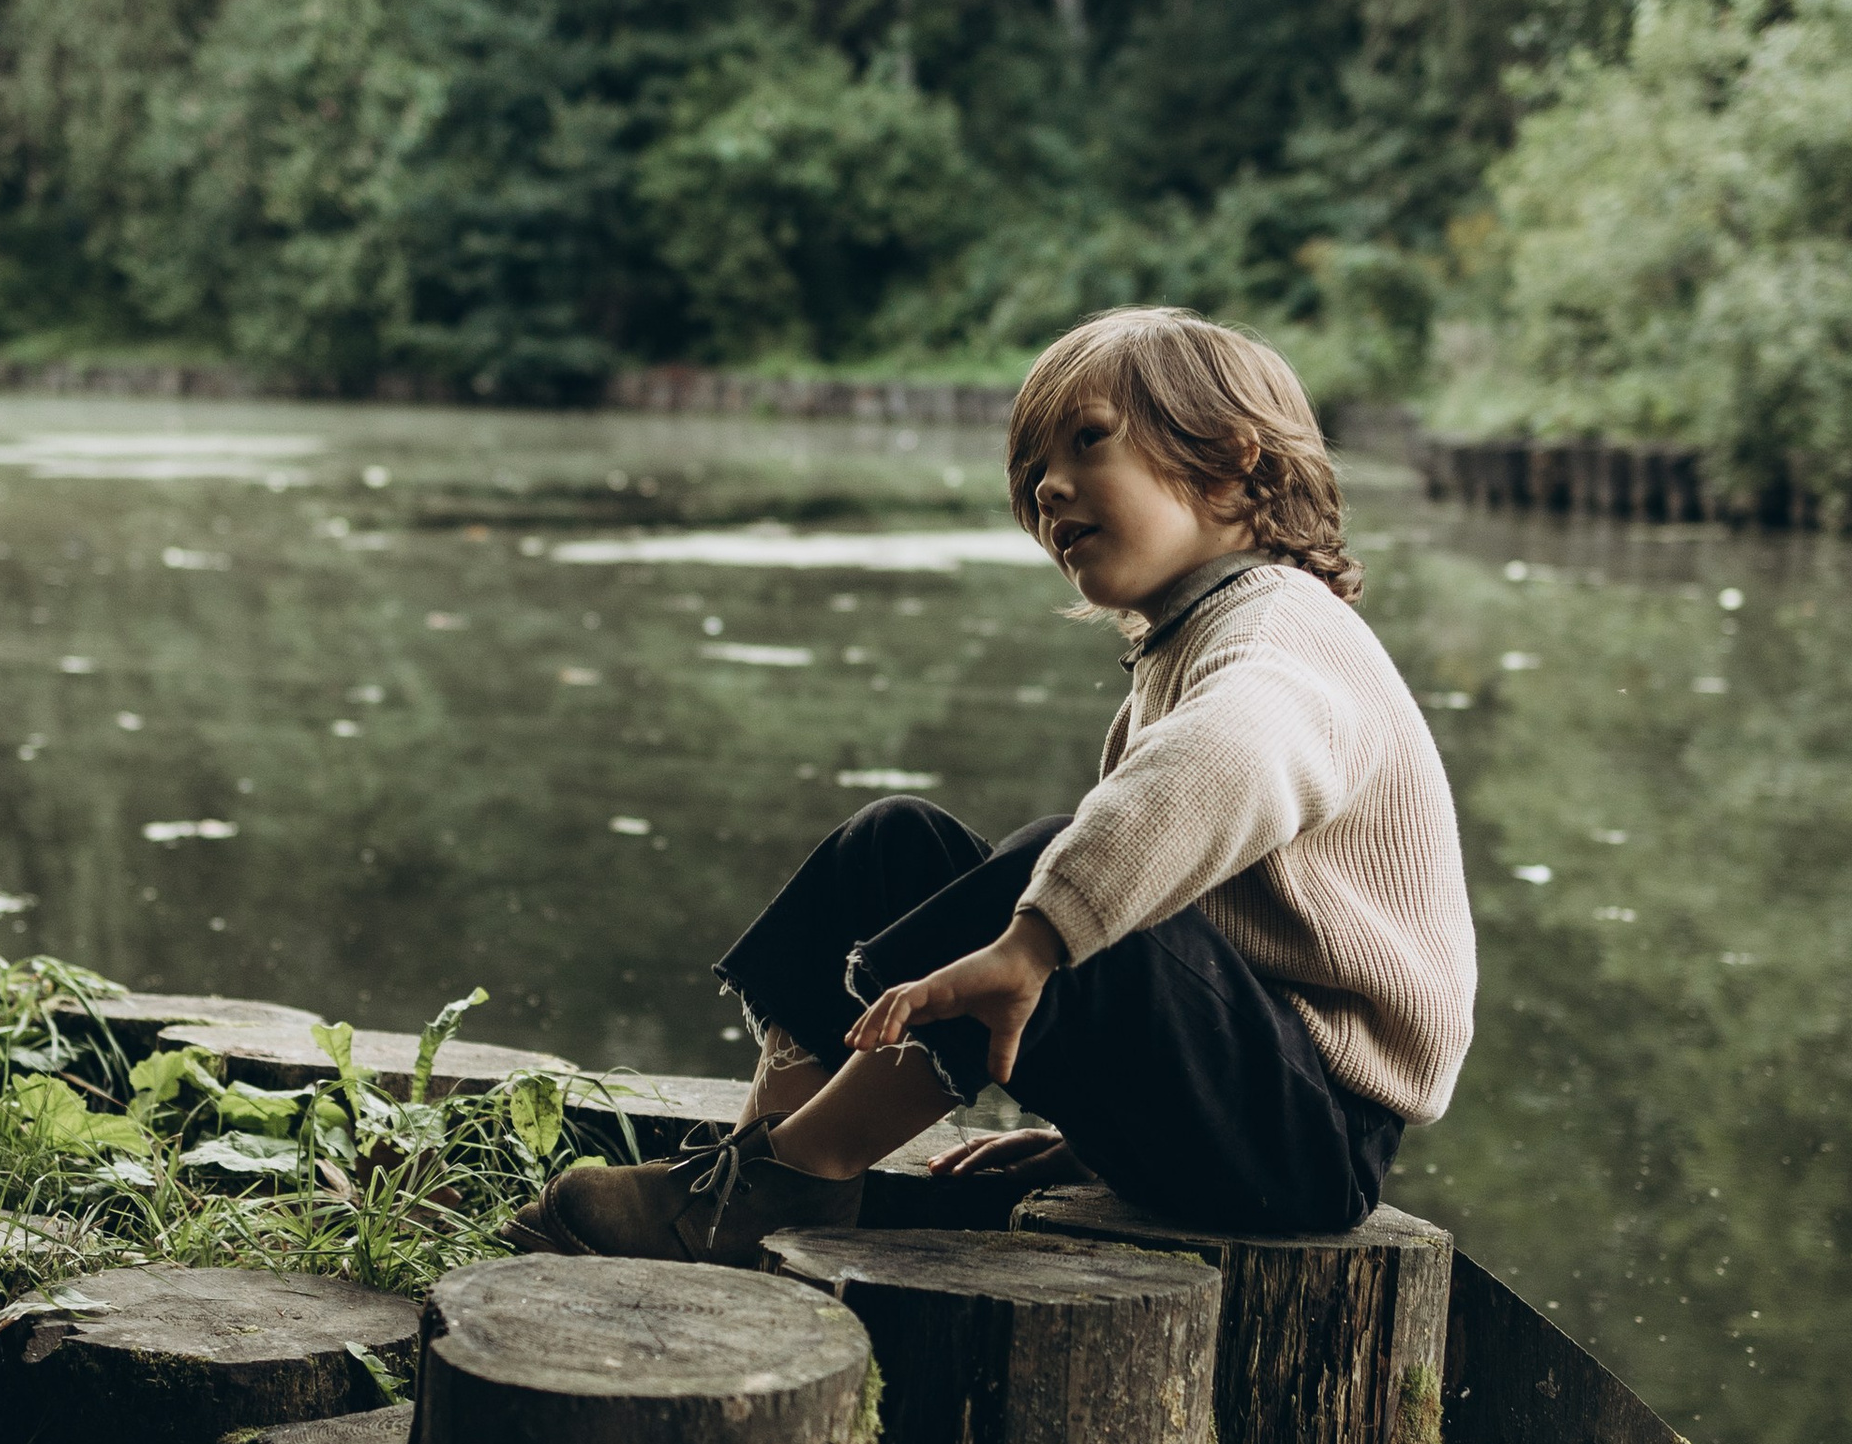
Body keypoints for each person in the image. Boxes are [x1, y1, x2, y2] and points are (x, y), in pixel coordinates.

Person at [510, 306, 1476, 1263]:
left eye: (1089, 442)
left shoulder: (1281, 633)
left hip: (1306, 1143)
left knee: (1062, 878)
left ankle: (790, 1176)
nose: (1051, 487)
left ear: (1234, 461)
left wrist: (1037, 936)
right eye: (1034, 470)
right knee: (895, 843)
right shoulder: (1195, 630)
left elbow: (1229, 762)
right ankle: (755, 1170)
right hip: (1232, 1093)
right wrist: (1095, 1140)